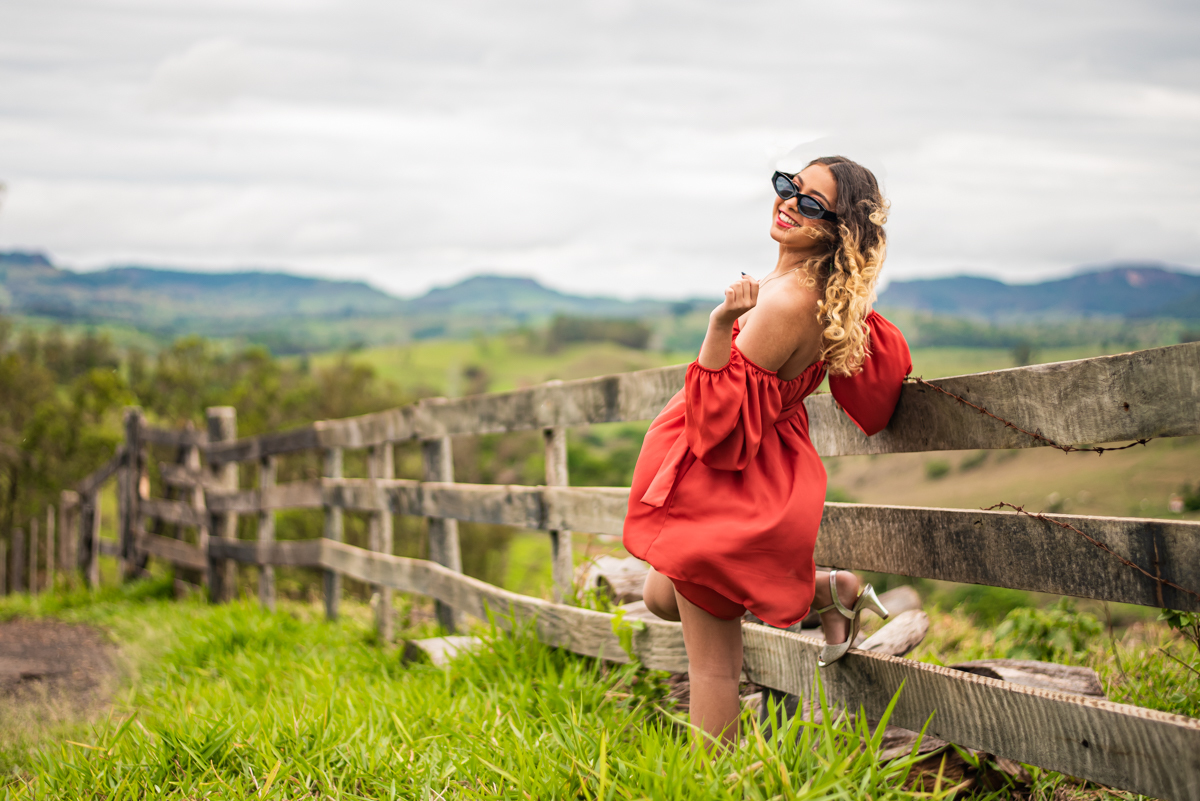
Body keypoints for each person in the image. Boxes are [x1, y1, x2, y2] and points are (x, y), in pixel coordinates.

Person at [622, 156, 911, 746]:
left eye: (812, 203)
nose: (789, 203)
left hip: (728, 478)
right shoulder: (798, 289)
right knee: (661, 595)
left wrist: (718, 325)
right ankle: (830, 591)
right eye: (789, 187)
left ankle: (711, 781)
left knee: (713, 668)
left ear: (836, 229)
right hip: (741, 468)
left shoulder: (786, 303)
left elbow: (719, 427)